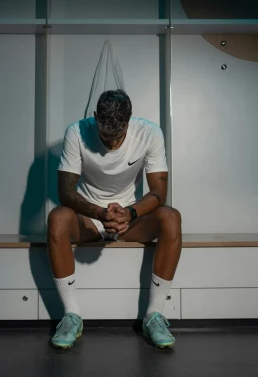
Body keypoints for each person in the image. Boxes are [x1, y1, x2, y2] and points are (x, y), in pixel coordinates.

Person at [47, 89, 182, 349]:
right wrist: (99, 212)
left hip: (129, 218)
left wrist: (129, 212)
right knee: (57, 218)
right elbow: (65, 192)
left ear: (129, 122)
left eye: (117, 136)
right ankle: (71, 315)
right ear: (95, 116)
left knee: (171, 217)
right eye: (105, 134)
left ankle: (154, 315)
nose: (110, 143)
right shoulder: (76, 132)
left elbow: (158, 193)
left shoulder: (149, 133)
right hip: (90, 218)